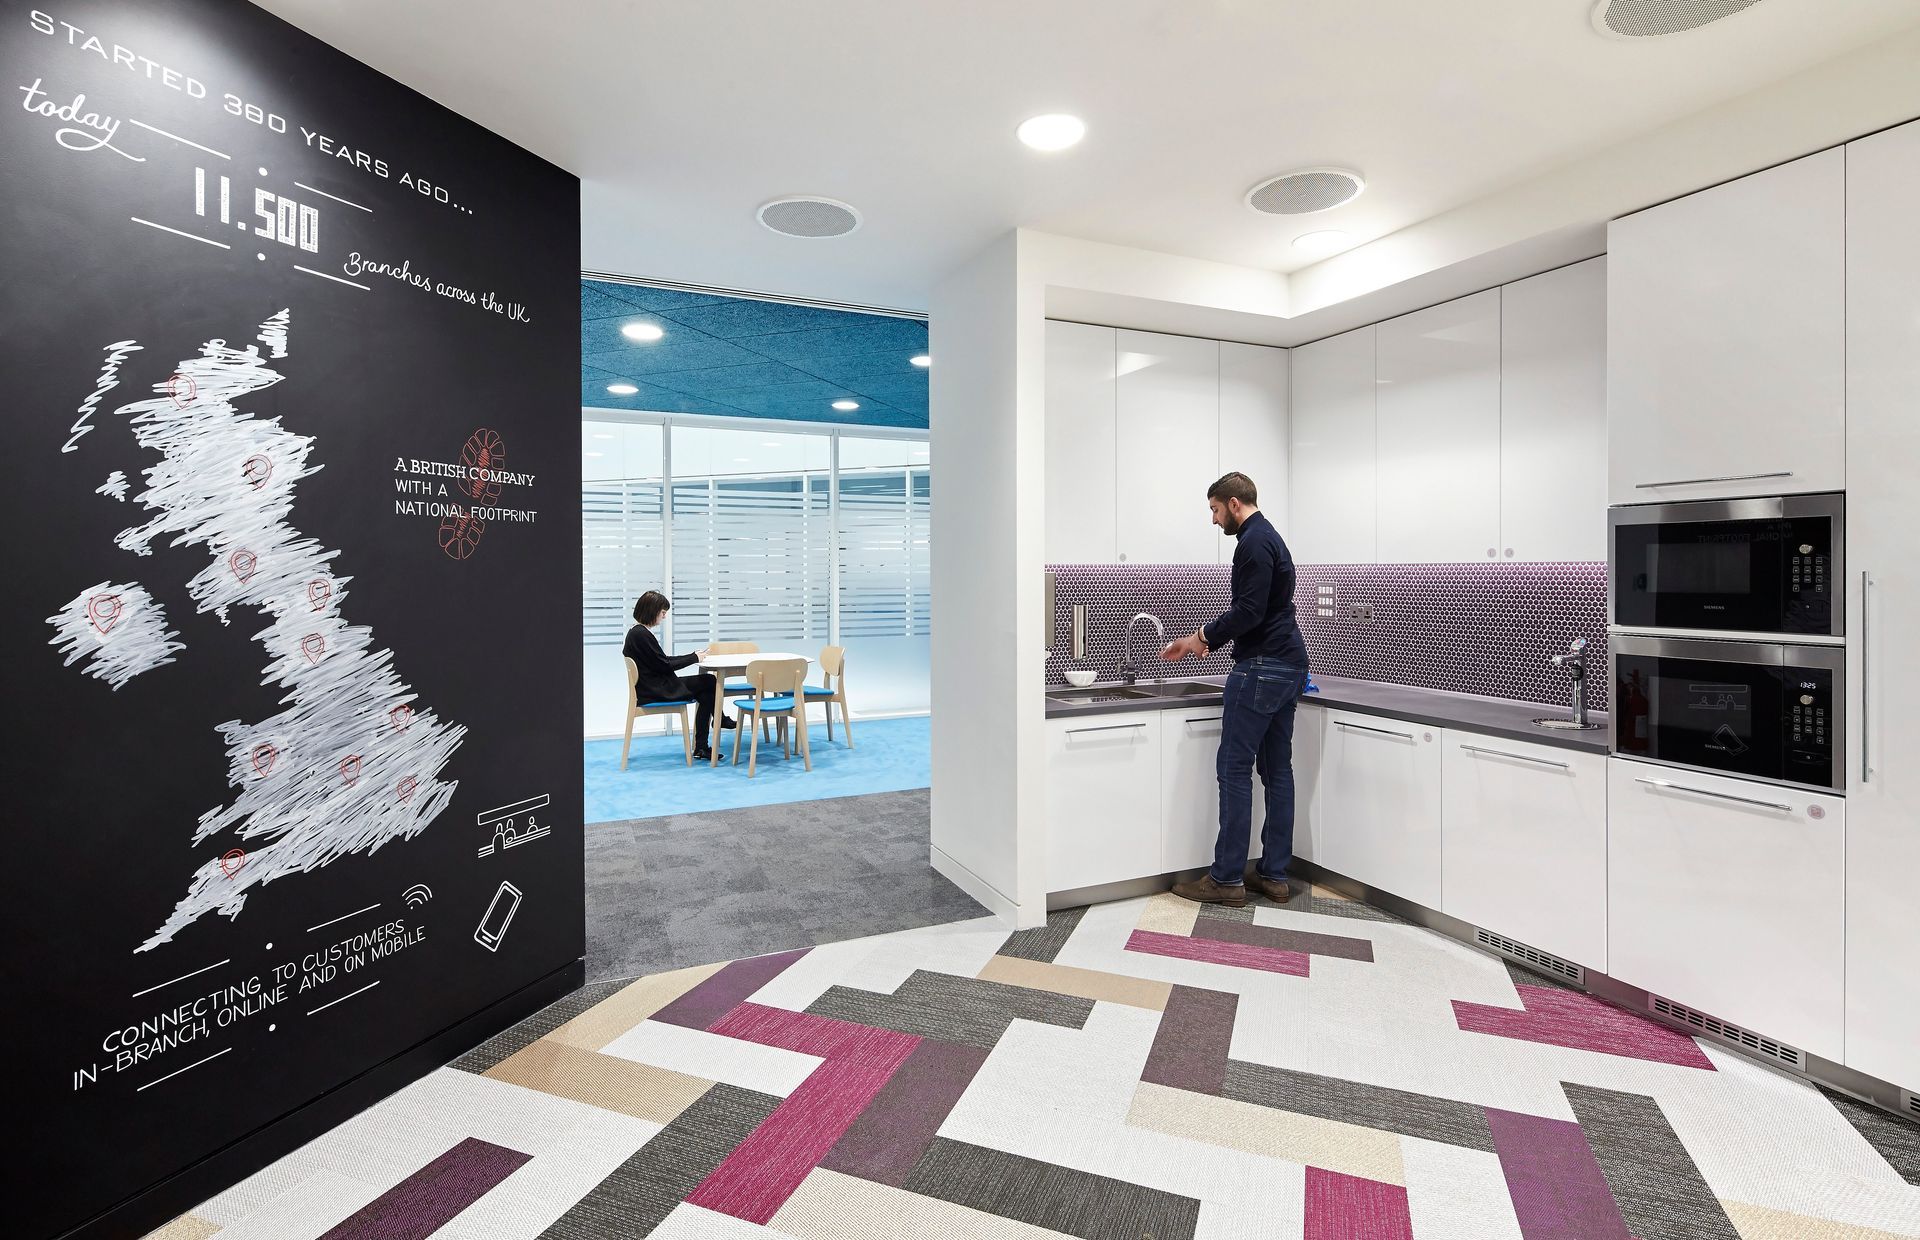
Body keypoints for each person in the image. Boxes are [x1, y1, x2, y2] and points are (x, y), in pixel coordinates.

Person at [1159, 472, 1308, 907]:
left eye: (1214, 510)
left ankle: (1226, 879)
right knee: (1278, 771)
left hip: (1261, 667)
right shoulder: (1272, 539)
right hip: (1288, 666)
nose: (1213, 520)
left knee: (1234, 770)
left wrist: (1200, 638)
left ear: (1234, 504)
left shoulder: (1253, 543)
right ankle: (1274, 875)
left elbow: (1248, 610)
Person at [623, 591, 733, 761]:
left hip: (653, 687)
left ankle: (705, 743)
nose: (664, 617)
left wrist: (693, 656)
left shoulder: (637, 632)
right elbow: (664, 665)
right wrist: (694, 658)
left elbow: (661, 661)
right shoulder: (641, 635)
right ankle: (717, 724)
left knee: (706, 690)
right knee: (709, 681)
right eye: (663, 613)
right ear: (652, 611)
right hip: (657, 690)